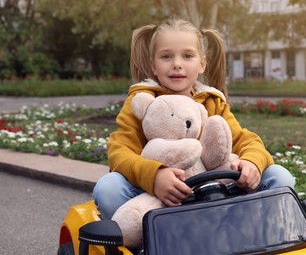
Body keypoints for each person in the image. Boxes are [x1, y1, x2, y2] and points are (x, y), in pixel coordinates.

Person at [93, 18, 295, 221]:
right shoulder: (141, 101)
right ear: (153, 65)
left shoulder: (213, 102)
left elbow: (247, 141)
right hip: (160, 199)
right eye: (166, 56)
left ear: (202, 64)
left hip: (215, 192)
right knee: (108, 188)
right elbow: (119, 151)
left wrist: (252, 163)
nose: (177, 65)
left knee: (280, 176)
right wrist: (154, 176)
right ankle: (140, 243)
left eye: (188, 56)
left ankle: (255, 230)